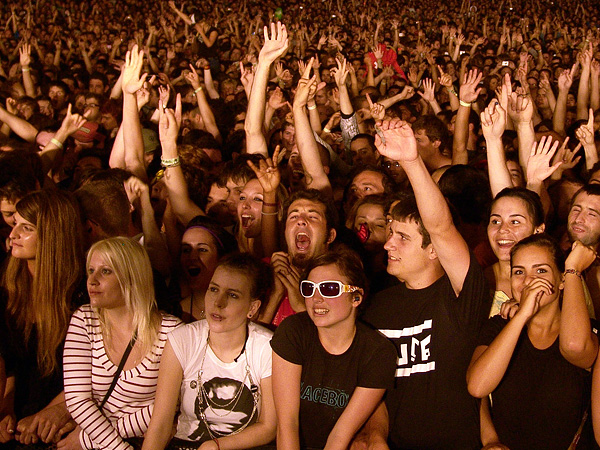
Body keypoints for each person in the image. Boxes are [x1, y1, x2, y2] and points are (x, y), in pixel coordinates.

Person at [361, 120, 491, 449]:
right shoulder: (377, 307)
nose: (389, 245)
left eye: (402, 238)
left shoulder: (462, 293)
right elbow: (377, 390)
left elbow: (441, 226)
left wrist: (411, 160)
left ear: (433, 249)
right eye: (390, 235)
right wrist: (376, 436)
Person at [467, 234, 598, 450]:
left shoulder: (584, 331)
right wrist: (521, 317)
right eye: (519, 272)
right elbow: (478, 387)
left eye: (541, 270)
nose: (529, 280)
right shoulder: (499, 327)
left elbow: (575, 348)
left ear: (561, 279)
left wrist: (573, 268)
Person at [142, 253, 276, 450]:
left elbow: (268, 427)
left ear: (253, 307)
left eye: (232, 295)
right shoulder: (182, 339)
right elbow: (160, 424)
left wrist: (216, 446)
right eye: (214, 289)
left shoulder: (266, 346)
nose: (218, 302)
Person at [63, 237, 182, 450]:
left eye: (106, 271)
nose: (92, 280)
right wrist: (118, 447)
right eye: (90, 271)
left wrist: (87, 441)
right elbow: (77, 400)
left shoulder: (172, 332)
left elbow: (172, 404)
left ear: (132, 277)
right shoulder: (84, 319)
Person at [271, 249, 396, 450]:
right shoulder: (293, 332)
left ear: (356, 298)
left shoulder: (378, 352)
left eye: (329, 288)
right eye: (309, 288)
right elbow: (287, 425)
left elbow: (339, 437)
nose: (316, 298)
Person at [0, 190, 85, 447]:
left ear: (52, 235)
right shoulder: (8, 285)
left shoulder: (82, 295)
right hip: (22, 414)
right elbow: (10, 362)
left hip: (69, 412)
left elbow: (94, 372)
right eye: (14, 224)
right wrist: (6, 410)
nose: (13, 235)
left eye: (26, 228)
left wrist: (52, 411)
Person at [487, 188, 545, 316]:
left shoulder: (557, 282)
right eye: (495, 221)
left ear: (538, 230)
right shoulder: (477, 281)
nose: (502, 229)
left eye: (515, 222)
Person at [178, 216, 237, 323]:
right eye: (186, 250)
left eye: (202, 249)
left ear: (221, 258)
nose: (192, 257)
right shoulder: (178, 311)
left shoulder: (237, 308)